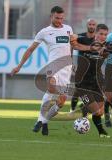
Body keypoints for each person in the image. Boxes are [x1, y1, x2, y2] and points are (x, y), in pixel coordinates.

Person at [11, 6, 90, 136]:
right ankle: (39, 120)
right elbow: (31, 49)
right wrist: (19, 66)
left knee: (61, 101)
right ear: (51, 17)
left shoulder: (68, 29)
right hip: (53, 66)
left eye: (61, 18)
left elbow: (73, 45)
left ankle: (45, 121)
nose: (59, 20)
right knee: (52, 88)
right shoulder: (44, 32)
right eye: (57, 18)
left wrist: (89, 48)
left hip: (66, 67)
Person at [70, 18, 97, 113]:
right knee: (77, 91)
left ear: (96, 26)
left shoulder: (98, 39)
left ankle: (85, 107)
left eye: (93, 24)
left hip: (93, 71)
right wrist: (71, 61)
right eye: (90, 24)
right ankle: (72, 109)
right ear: (87, 25)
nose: (91, 26)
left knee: (91, 92)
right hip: (81, 70)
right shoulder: (80, 37)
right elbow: (71, 44)